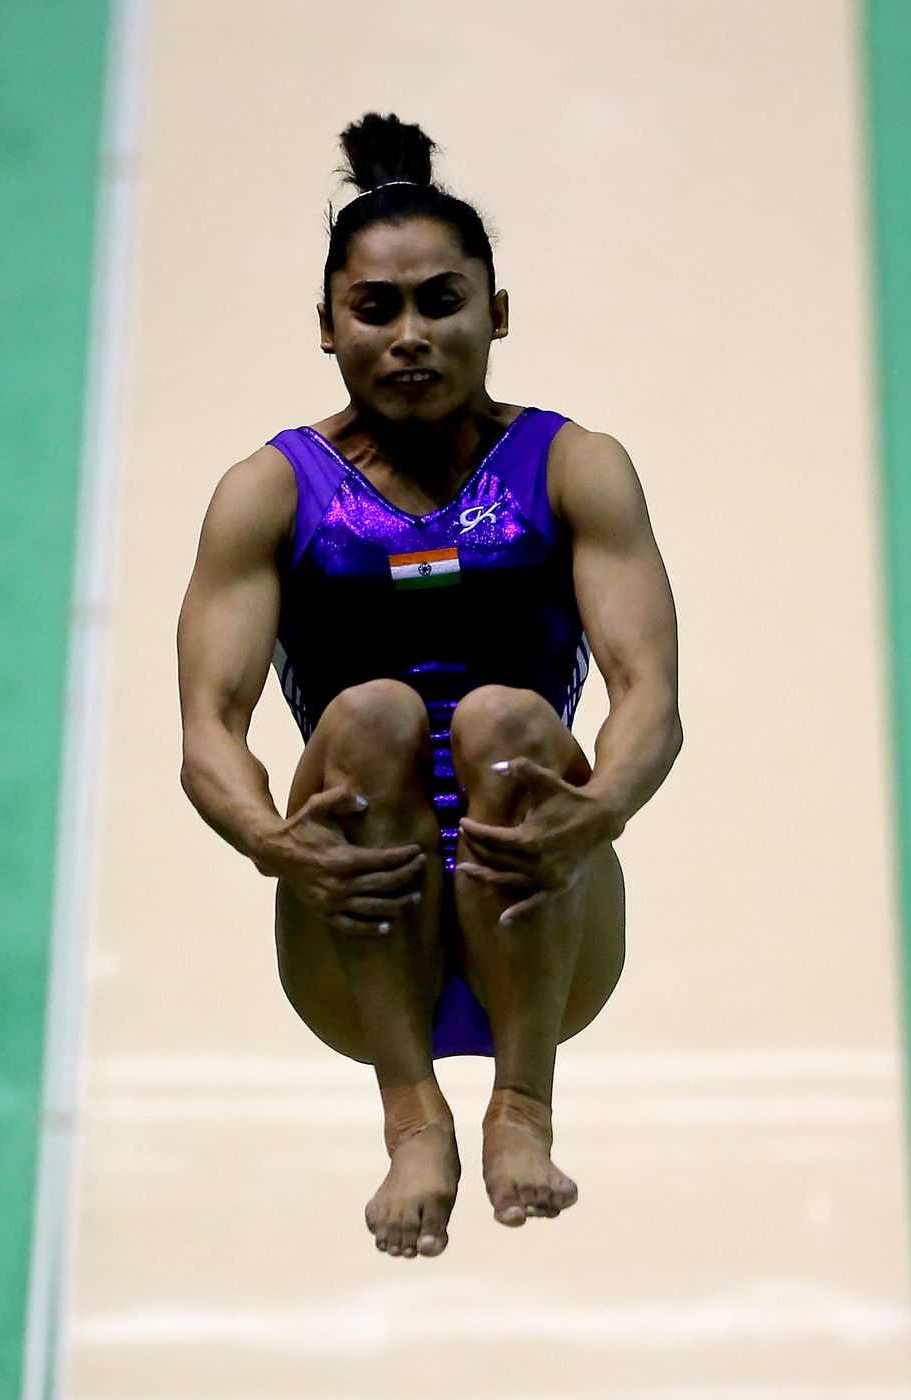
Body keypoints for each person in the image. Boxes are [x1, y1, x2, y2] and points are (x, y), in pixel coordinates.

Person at [176, 113, 682, 1261]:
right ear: (325, 325)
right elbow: (207, 726)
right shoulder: (268, 491)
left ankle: (522, 1103)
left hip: (545, 904)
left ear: (494, 311)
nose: (408, 336)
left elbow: (646, 690)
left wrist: (598, 811)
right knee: (370, 712)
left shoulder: (573, 465)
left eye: (439, 303)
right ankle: (412, 1117)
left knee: (508, 716)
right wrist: (273, 843)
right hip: (355, 918)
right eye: (375, 309)